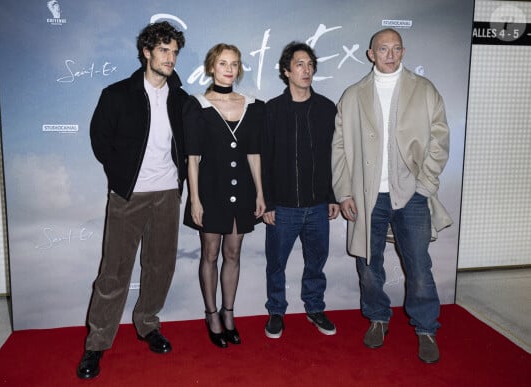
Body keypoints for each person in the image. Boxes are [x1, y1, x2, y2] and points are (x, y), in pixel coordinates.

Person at [331, 28, 452, 363]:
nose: (389, 54)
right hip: (367, 195)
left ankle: (426, 327)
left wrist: (425, 185)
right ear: (370, 53)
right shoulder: (353, 95)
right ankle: (378, 319)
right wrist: (343, 193)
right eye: (382, 49)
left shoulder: (424, 90)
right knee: (368, 265)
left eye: (396, 48)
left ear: (403, 51)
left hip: (412, 195)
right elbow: (339, 149)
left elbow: (440, 140)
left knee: (419, 266)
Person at [76, 21, 188, 379]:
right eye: (164, 51)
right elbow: (99, 140)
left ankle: (148, 324)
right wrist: (123, 174)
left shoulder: (181, 98)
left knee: (160, 267)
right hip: (129, 195)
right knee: (115, 272)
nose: (170, 58)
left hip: (168, 193)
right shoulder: (117, 94)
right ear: (146, 52)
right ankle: (96, 344)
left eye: (174, 52)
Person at [183, 43, 266, 348]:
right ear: (211, 67)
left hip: (242, 191)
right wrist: (194, 199)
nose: (229, 69)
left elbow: (254, 153)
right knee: (211, 254)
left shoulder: (253, 105)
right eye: (222, 63)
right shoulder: (197, 106)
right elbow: (192, 158)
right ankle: (211, 314)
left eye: (234, 63)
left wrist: (260, 193)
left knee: (233, 254)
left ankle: (228, 313)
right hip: (210, 191)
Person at [262, 42, 340, 339]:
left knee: (316, 263)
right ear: (286, 71)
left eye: (309, 64)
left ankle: (315, 308)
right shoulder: (272, 110)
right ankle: (276, 312)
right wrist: (267, 202)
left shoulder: (326, 108)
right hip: (282, 207)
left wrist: (332, 195)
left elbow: (334, 156)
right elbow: (264, 160)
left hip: (319, 205)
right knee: (276, 264)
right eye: (299, 64)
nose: (306, 69)